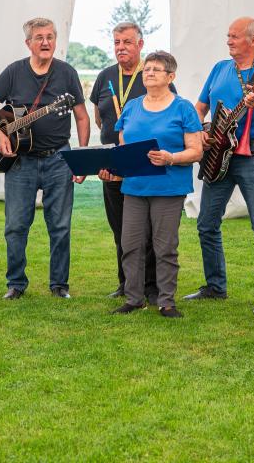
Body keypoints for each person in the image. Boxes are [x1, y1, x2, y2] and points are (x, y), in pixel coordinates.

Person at [0, 18, 89, 299]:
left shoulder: (67, 73)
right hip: (20, 162)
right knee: (16, 225)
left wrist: (82, 156)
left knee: (60, 226)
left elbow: (81, 116)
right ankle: (15, 284)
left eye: (50, 37)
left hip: (59, 158)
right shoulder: (14, 72)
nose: (46, 42)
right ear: (28, 43)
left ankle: (59, 285)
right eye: (39, 37)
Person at [187, 17, 254, 314]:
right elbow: (200, 107)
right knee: (206, 223)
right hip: (218, 152)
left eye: (234, 36)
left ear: (253, 40)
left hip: (252, 153)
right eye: (228, 36)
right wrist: (199, 131)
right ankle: (215, 286)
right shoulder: (219, 69)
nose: (228, 40)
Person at [109, 51, 202, 318]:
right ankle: (134, 298)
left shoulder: (183, 108)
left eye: (155, 69)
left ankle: (166, 302)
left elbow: (196, 151)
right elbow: (124, 145)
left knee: (165, 248)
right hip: (134, 188)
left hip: (168, 188)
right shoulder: (132, 107)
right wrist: (113, 166)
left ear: (170, 77)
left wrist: (171, 158)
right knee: (130, 245)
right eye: (146, 69)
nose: (148, 73)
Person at [90, 22, 175, 303]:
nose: (121, 47)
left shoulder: (152, 75)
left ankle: (151, 286)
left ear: (140, 44)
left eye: (127, 42)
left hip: (144, 163)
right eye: (116, 42)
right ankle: (126, 283)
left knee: (147, 230)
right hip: (113, 162)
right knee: (121, 229)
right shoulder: (105, 77)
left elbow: (169, 112)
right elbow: (100, 117)